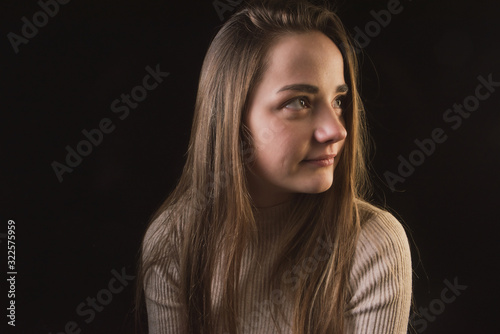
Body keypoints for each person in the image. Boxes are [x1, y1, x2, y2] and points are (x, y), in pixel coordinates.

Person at [136, 0, 412, 333]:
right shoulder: (174, 242)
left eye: (339, 101)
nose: (336, 130)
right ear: (232, 118)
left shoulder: (372, 245)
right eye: (299, 102)